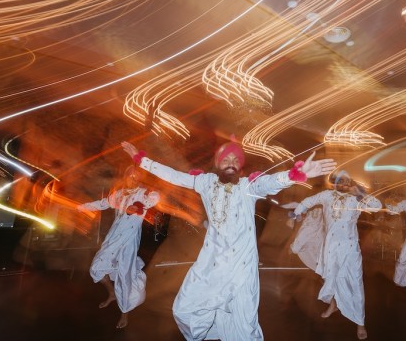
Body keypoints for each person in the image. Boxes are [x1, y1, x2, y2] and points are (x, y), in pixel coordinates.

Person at [121, 139, 336, 341]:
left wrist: (294, 175)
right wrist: (143, 161)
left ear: (240, 167)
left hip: (240, 269)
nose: (231, 163)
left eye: (236, 161)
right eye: (226, 159)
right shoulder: (205, 182)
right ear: (217, 163)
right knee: (184, 309)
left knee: (243, 327)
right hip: (210, 265)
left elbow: (268, 184)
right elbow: (174, 176)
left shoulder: (247, 187)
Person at [287, 170, 382, 340]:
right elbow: (307, 202)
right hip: (330, 247)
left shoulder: (356, 198)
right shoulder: (326, 195)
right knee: (329, 277)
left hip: (350, 248)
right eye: (340, 181)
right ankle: (333, 305)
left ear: (351, 182)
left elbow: (377, 205)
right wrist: (294, 214)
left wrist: (360, 193)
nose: (344, 184)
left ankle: (360, 322)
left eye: (347, 181)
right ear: (334, 183)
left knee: (355, 282)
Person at [78, 165, 160, 328]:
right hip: (112, 239)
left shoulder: (143, 194)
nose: (133, 179)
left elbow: (154, 198)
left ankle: (124, 313)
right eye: (130, 175)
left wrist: (149, 191)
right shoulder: (120, 194)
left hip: (129, 242)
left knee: (124, 276)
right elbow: (102, 203)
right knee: (96, 268)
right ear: (125, 176)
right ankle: (112, 293)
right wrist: (82, 206)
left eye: (136, 177)